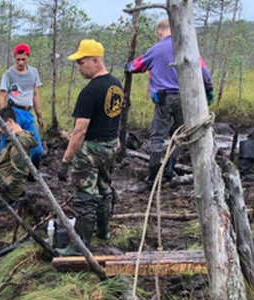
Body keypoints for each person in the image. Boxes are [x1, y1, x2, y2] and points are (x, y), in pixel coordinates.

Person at [126, 19, 214, 189]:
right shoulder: (189, 48)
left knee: (158, 137)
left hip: (163, 99)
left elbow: (137, 66)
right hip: (185, 99)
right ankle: (169, 170)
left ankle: (152, 177)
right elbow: (204, 73)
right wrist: (209, 90)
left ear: (160, 32)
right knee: (179, 134)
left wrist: (128, 66)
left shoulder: (155, 50)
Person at [57, 39, 124, 255]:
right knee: (104, 188)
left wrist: (66, 160)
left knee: (85, 195)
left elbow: (79, 131)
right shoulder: (116, 84)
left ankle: (80, 245)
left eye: (81, 62)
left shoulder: (89, 92)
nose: (78, 67)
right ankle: (103, 231)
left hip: (92, 149)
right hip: (111, 146)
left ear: (95, 61)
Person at [0, 106, 38, 212]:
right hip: (5, 185)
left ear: (9, 122)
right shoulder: (13, 141)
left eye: (0, 126)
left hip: (11, 190)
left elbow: (19, 172)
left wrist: (1, 187)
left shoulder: (18, 144)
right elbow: (9, 166)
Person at [0, 43, 45, 168]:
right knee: (7, 146)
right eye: (18, 59)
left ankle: (32, 173)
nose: (20, 62)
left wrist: (39, 116)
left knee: (37, 149)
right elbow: (2, 96)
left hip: (28, 113)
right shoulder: (8, 74)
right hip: (13, 112)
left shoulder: (33, 72)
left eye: (23, 59)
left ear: (28, 57)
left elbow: (35, 95)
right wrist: (3, 119)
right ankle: (4, 172)